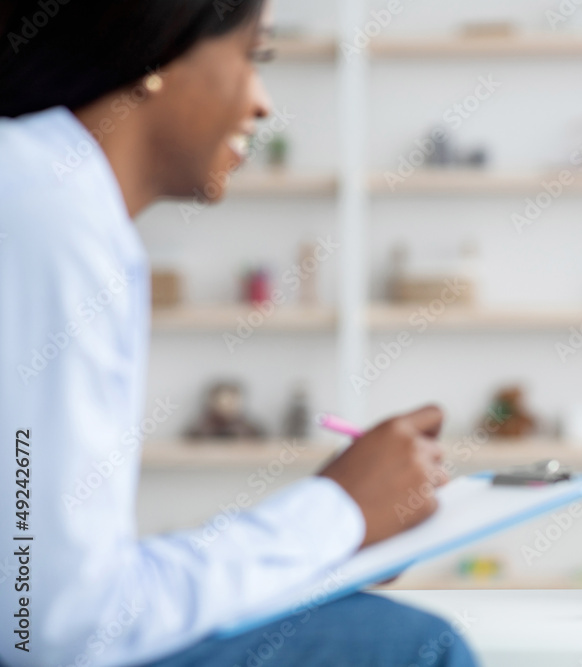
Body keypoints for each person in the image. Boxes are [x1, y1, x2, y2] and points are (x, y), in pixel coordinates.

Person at [0, 1, 477, 665]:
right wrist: (337, 512)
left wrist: (336, 528)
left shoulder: (47, 192)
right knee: (413, 646)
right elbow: (51, 624)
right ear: (160, 50)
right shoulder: (50, 214)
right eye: (254, 56)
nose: (262, 103)